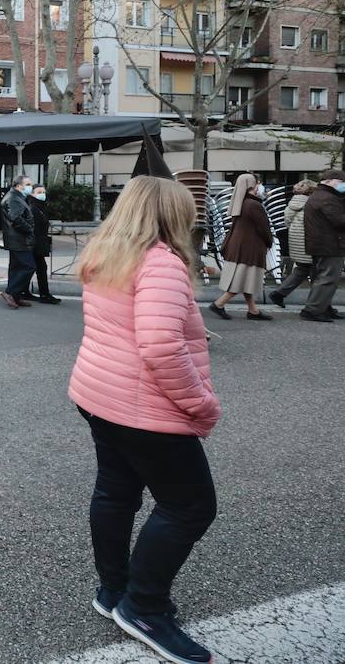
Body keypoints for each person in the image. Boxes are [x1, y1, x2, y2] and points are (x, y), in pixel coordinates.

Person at [68, 176, 220, 664]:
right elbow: (159, 347)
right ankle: (145, 607)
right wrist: (200, 404)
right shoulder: (161, 263)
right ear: (173, 214)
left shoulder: (106, 252)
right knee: (190, 506)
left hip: (99, 393)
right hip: (145, 407)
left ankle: (114, 590)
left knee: (115, 491)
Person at [208, 173, 273, 321]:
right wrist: (269, 242)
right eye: (257, 183)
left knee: (245, 279)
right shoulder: (254, 205)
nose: (259, 186)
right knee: (241, 280)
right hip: (249, 249)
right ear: (251, 185)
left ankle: (253, 311)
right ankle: (218, 304)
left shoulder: (241, 202)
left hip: (238, 247)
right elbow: (264, 228)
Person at [300, 169, 345, 322]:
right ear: (328, 181)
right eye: (340, 182)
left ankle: (323, 307)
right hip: (330, 245)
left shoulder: (320, 195)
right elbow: (340, 221)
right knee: (328, 278)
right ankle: (313, 310)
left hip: (322, 244)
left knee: (322, 277)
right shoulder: (327, 198)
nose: (343, 185)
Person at [268, 180, 318, 308]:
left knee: (302, 270)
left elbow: (288, 222)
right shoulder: (313, 204)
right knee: (317, 273)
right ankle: (319, 304)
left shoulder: (292, 203)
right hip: (310, 243)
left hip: (297, 243)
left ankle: (279, 293)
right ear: (311, 192)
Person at [0, 175, 37, 309]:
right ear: (18, 186)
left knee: (16, 267)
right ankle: (10, 292)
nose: (30, 187)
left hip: (16, 239)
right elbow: (16, 219)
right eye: (27, 184)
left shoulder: (17, 197)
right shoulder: (14, 198)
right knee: (28, 266)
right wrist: (30, 229)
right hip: (19, 239)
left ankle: (15, 295)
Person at [25, 185, 62, 305]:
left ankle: (27, 291)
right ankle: (44, 294)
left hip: (38, 243)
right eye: (39, 192)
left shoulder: (39, 207)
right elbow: (33, 228)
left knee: (36, 268)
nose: (42, 194)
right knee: (39, 268)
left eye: (44, 192)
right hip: (35, 245)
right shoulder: (33, 208)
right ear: (32, 194)